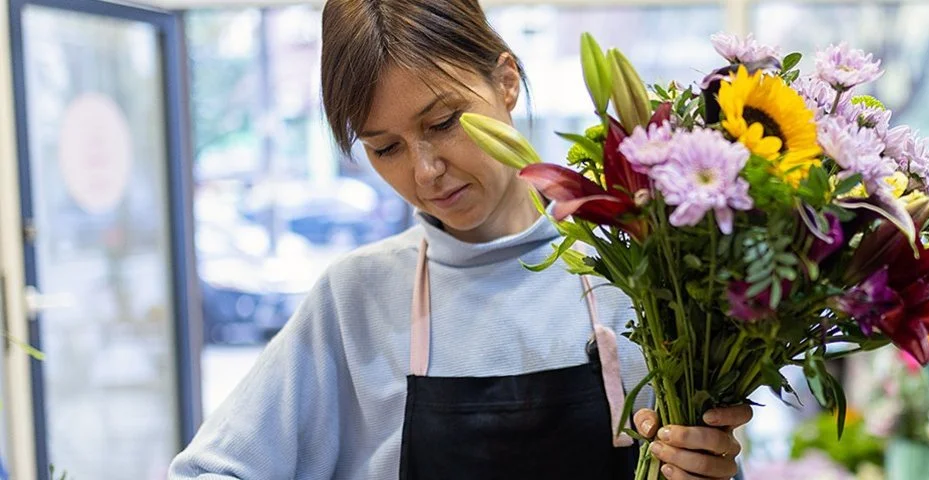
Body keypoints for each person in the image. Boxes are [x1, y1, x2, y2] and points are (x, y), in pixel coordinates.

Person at [169, 0, 750, 478]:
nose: (424, 171)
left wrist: (706, 463)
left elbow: (707, 457)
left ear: (505, 82)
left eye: (443, 123)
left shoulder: (637, 267)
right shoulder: (357, 298)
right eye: (385, 148)